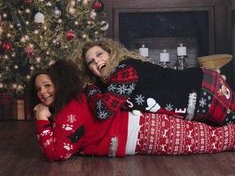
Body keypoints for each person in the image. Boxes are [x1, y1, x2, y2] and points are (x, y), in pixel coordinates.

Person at [29, 59, 235, 162]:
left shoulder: (68, 112)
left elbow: (57, 153)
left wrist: (40, 118)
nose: (43, 92)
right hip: (138, 126)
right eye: (38, 89)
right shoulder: (75, 99)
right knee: (208, 133)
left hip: (139, 133)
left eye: (47, 85)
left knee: (212, 140)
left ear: (60, 83)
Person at [74, 38, 235, 126]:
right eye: (91, 62)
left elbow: (103, 111)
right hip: (199, 97)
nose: (97, 61)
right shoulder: (111, 83)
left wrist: (89, 87)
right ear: (90, 71)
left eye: (99, 54)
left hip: (203, 88)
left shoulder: (124, 71)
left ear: (110, 53)